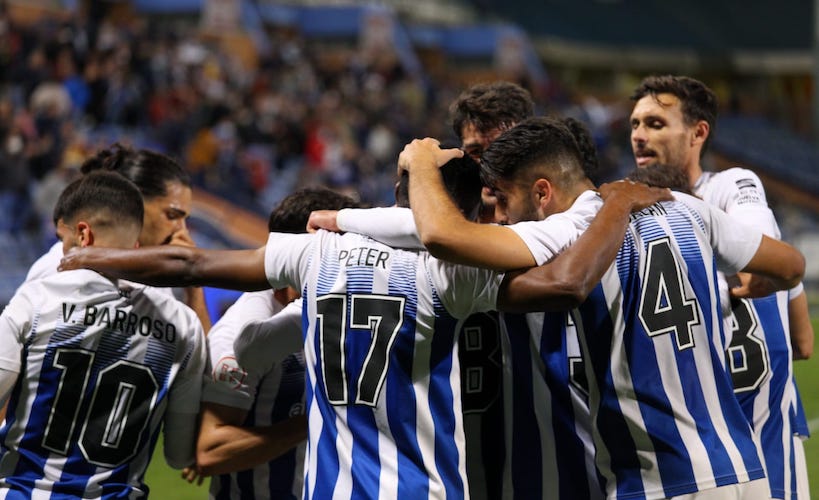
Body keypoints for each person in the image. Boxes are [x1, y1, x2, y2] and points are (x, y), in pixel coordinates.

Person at [58, 153, 675, 498]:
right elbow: (561, 284)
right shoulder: (451, 277)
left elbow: (192, 263)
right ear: (458, 210)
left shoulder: (315, 254)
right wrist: (614, 204)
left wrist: (91, 256)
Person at [390, 118, 804, 498]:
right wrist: (757, 284)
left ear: (541, 193)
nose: (502, 216)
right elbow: (791, 266)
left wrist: (420, 164)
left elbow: (443, 236)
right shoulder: (687, 207)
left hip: (657, 479)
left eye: (503, 199)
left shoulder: (572, 232)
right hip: (741, 469)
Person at [312, 116, 610, 499]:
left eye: (486, 156)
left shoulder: (560, 228)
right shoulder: (577, 221)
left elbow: (438, 233)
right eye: (470, 153)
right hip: (487, 451)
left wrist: (348, 213)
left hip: (568, 454)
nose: (495, 205)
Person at [630, 74, 813, 500]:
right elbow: (803, 341)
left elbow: (755, 260)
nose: (638, 135)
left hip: (729, 440)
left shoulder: (730, 186)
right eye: (635, 124)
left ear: (698, 133)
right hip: (749, 438)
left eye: (655, 124)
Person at [0, 171, 207, 497]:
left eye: (62, 239)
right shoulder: (183, 325)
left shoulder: (38, 298)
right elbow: (179, 454)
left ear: (83, 234)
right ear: (136, 245)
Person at [187, 187, 360, 500]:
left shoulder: (326, 307)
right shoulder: (243, 330)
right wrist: (313, 422)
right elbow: (211, 451)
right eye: (341, 245)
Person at [21, 143, 212, 332]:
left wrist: (193, 287)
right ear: (133, 200)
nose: (182, 232)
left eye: (185, 220)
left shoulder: (157, 282)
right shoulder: (60, 265)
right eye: (172, 216)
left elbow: (202, 362)